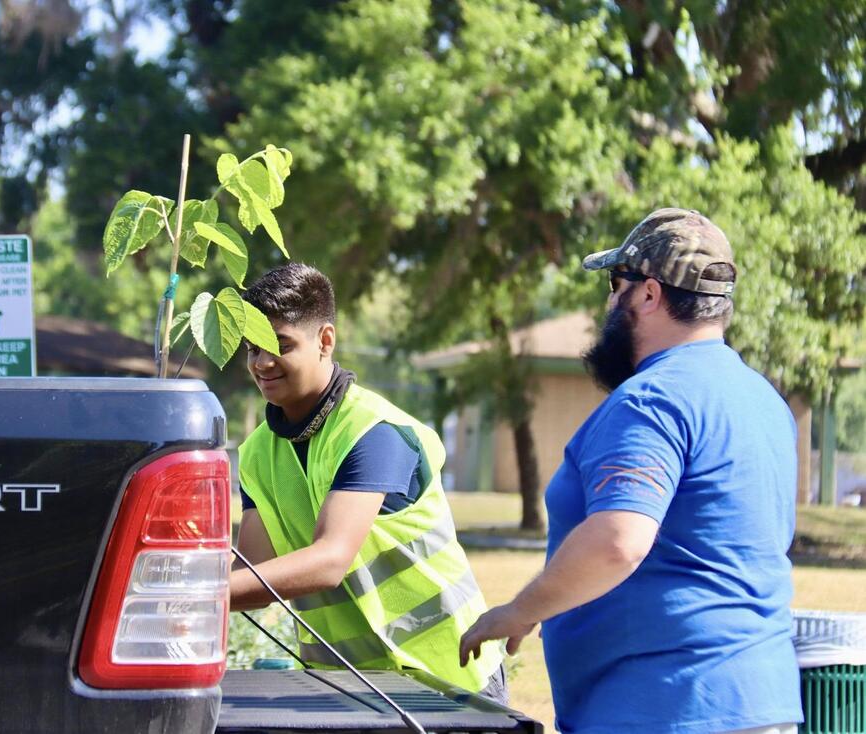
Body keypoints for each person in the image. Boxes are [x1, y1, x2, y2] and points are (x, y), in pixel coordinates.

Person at [459, 208, 802, 733]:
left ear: (648, 294)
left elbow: (619, 540)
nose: (609, 303)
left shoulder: (651, 399)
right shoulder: (764, 400)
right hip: (761, 702)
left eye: (615, 285)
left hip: (665, 706)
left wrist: (521, 610)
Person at [231, 262, 507, 702]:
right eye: (251, 348)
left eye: (280, 345)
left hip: (445, 677)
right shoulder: (256, 454)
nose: (262, 362)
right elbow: (251, 579)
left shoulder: (373, 432)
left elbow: (330, 560)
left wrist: (198, 596)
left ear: (325, 341)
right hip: (348, 687)